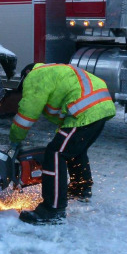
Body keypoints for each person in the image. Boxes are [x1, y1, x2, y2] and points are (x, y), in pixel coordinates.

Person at [9, 63, 116, 224]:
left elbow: (27, 113)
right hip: (101, 106)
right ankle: (80, 191)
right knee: (74, 150)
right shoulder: (54, 70)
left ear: (26, 73)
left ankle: (52, 210)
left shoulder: (35, 76)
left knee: (56, 153)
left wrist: (15, 139)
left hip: (85, 109)